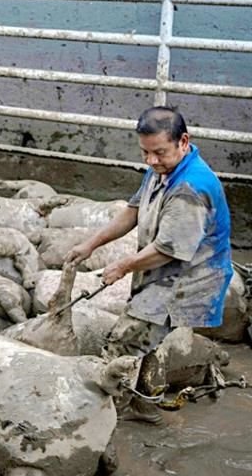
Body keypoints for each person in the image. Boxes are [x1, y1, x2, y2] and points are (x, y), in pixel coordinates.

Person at [65, 106, 232, 422]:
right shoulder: (162, 169)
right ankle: (147, 407)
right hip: (163, 271)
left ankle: (104, 416)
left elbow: (169, 250)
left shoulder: (191, 188)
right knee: (149, 340)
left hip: (186, 279)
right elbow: (132, 211)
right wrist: (91, 244)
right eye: (145, 152)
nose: (151, 160)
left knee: (124, 340)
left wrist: (122, 266)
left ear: (183, 142)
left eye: (159, 152)